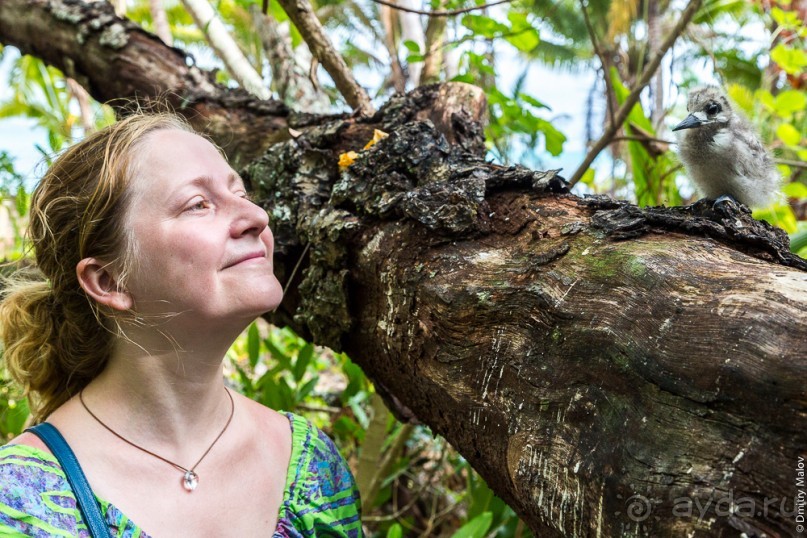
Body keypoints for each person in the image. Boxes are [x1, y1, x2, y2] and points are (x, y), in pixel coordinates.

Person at [0, 113, 362, 537]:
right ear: (109, 280)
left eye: (240, 192)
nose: (256, 217)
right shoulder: (20, 502)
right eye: (198, 204)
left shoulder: (312, 466)